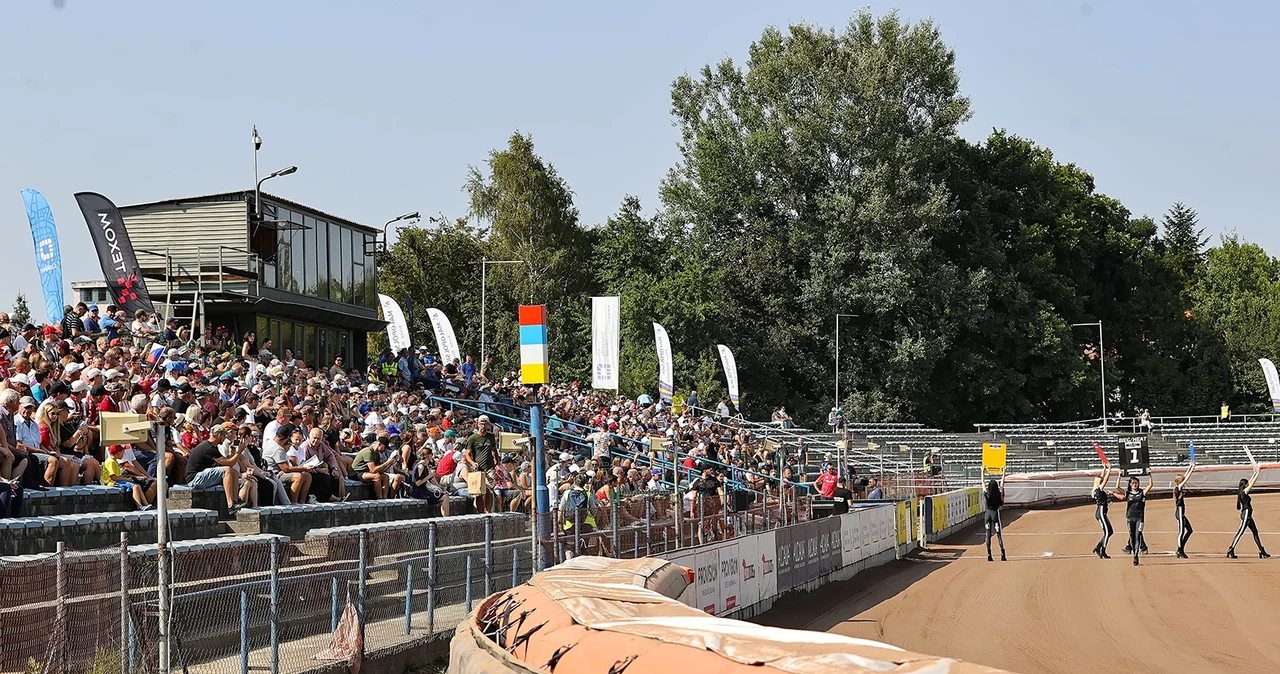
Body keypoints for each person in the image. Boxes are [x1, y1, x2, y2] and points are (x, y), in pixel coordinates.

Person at [1228, 465, 1269, 559]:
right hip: (1246, 514)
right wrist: (1258, 473)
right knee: (1240, 532)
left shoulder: (1242, 491)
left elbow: (1250, 482)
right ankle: (1231, 548)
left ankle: (1261, 550)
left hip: (1248, 515)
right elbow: (1252, 484)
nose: (1248, 485)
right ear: (1244, 485)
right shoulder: (1243, 492)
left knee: (1255, 531)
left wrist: (1255, 472)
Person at [1113, 474, 1153, 566]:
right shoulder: (1128, 493)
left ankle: (1135, 554)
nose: (1135, 484)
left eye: (1136, 483)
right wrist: (1119, 476)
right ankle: (1133, 551)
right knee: (1132, 536)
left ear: (1138, 484)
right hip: (1130, 518)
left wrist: (1149, 474)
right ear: (1130, 484)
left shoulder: (1142, 492)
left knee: (1138, 536)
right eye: (1133, 483)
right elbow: (1117, 487)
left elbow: (1150, 485)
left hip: (1140, 518)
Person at [102, 444, 153, 510]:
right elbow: (113, 477)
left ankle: (146, 504)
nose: (124, 454)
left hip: (116, 480)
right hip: (112, 483)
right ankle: (139, 506)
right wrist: (126, 479)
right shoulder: (110, 462)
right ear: (118, 453)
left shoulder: (114, 461)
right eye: (123, 452)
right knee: (135, 486)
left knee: (138, 486)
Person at [463, 415, 497, 513]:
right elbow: (467, 454)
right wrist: (473, 463)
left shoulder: (491, 437)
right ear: (477, 424)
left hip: (489, 467)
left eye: (485, 424)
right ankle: (481, 513)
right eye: (481, 424)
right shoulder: (473, 438)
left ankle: (488, 512)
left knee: (489, 490)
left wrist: (497, 462)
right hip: (478, 468)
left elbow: (494, 450)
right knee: (479, 492)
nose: (483, 426)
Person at [1172, 462, 1195, 558]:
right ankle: (1179, 550)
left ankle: (1181, 549)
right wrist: (1192, 469)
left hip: (1181, 512)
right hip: (1180, 512)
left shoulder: (1178, 487)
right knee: (1181, 532)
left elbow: (1185, 478)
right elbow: (1186, 479)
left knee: (1189, 530)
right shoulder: (1178, 488)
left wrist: (1190, 467)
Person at [1092, 465, 1114, 559]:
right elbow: (1105, 479)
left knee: (1110, 531)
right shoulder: (1098, 490)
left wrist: (1104, 468)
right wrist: (1109, 469)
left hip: (1102, 512)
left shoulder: (1096, 490)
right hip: (1101, 513)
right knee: (1107, 533)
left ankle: (1098, 547)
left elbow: (1102, 478)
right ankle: (1103, 551)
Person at [984, 478, 1006, 562]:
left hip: (987, 515)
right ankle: (1002, 553)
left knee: (988, 535)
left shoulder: (987, 494)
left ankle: (989, 554)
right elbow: (1002, 484)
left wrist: (982, 472)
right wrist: (1004, 471)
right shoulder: (998, 494)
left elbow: (982, 482)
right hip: (995, 514)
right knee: (999, 535)